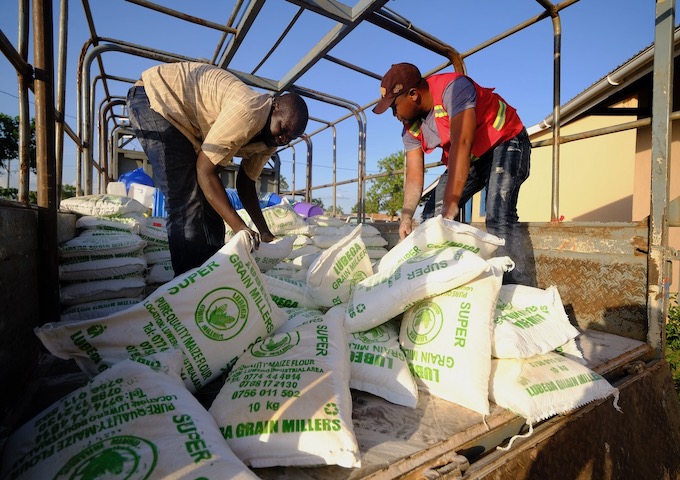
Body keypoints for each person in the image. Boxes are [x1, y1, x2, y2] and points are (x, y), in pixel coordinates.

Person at [126, 61, 309, 276]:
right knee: (186, 197)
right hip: (155, 98)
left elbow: (246, 184)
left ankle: (212, 273)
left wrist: (264, 232)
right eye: (282, 128)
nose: (283, 138)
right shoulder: (250, 111)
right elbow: (205, 170)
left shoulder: (270, 140)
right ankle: (189, 285)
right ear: (274, 106)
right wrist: (240, 227)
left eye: (290, 138)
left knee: (212, 201)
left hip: (184, 120)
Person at [373, 62, 535, 286]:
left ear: (413, 95)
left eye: (394, 106)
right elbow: (413, 175)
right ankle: (441, 280)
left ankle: (518, 289)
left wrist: (451, 201)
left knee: (499, 215)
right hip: (472, 158)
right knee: (432, 216)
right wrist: (407, 215)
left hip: (506, 141)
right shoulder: (410, 127)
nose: (394, 114)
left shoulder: (454, 88)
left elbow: (462, 142)